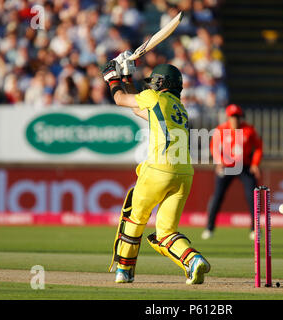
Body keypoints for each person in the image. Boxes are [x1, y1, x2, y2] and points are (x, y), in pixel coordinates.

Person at [101, 52, 210, 285]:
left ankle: (124, 271)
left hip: (158, 170)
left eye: (154, 82)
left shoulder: (153, 98)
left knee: (135, 217)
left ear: (161, 83)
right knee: (166, 231)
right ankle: (194, 261)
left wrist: (112, 77)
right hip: (184, 174)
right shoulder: (179, 108)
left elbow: (121, 99)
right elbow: (137, 107)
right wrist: (127, 75)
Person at [202, 104, 263, 240]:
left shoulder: (249, 130)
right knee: (218, 196)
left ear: (240, 117)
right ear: (228, 117)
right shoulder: (221, 130)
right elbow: (214, 148)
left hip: (245, 166)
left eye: (237, 117)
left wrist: (255, 164)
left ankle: (255, 229)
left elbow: (258, 147)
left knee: (252, 197)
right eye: (232, 117)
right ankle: (209, 228)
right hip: (226, 167)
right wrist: (219, 162)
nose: (235, 119)